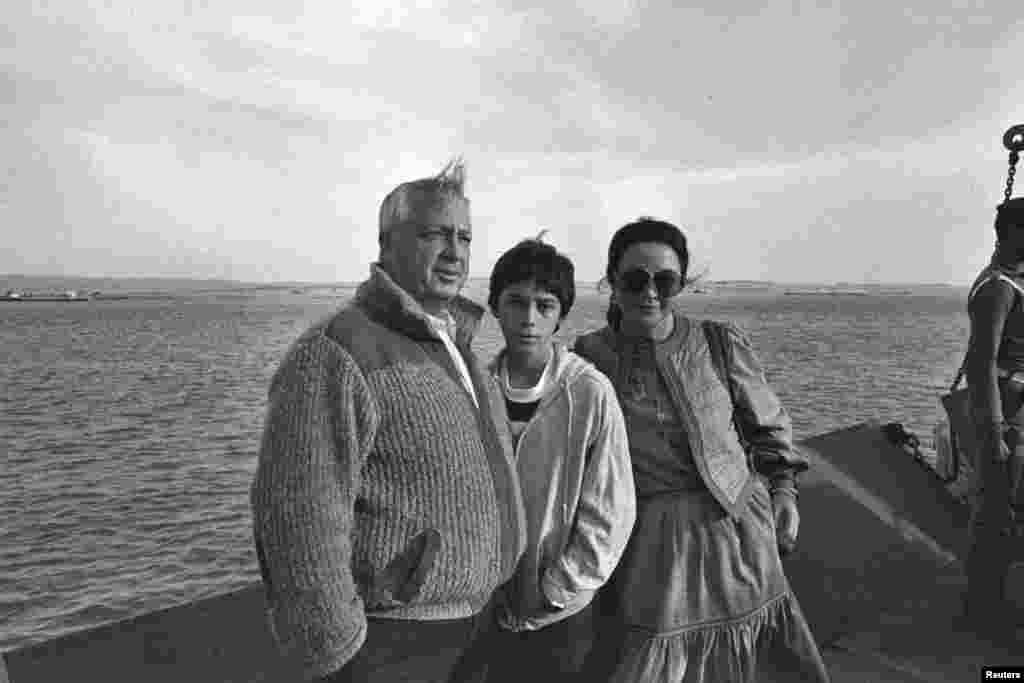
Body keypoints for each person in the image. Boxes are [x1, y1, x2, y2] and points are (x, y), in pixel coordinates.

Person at [250, 160, 527, 682]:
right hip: (396, 644)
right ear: (386, 245)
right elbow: (296, 516)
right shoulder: (335, 353)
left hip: (478, 626)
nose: (454, 252)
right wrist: (338, 654)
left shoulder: (458, 348)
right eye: (433, 234)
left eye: (464, 237)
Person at [573, 217, 830, 682]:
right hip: (650, 548)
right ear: (611, 282)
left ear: (681, 284)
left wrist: (786, 493)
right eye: (634, 280)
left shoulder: (718, 343)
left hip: (740, 538)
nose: (650, 293)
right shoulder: (589, 357)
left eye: (665, 281)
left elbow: (767, 427)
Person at [473, 237, 636, 681]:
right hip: (487, 607)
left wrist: (556, 589)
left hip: (561, 614)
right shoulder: (476, 389)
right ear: (494, 306)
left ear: (561, 315)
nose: (528, 318)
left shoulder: (588, 392)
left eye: (544, 305)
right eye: (516, 302)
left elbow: (611, 510)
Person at [962, 196, 1024, 643]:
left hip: (1013, 407)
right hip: (1004, 410)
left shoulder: (1007, 279)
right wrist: (994, 432)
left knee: (1002, 511)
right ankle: (984, 613)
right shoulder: (998, 288)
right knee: (995, 514)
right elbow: (982, 363)